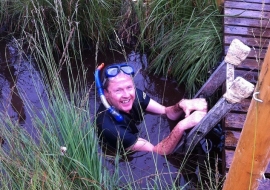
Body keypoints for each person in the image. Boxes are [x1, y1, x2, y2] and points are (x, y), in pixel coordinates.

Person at [96, 63, 207, 155]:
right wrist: (182, 126)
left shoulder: (134, 95)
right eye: (118, 90)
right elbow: (157, 151)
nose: (126, 95)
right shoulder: (111, 129)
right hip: (121, 154)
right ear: (106, 94)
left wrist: (181, 105)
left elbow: (165, 111)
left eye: (129, 87)